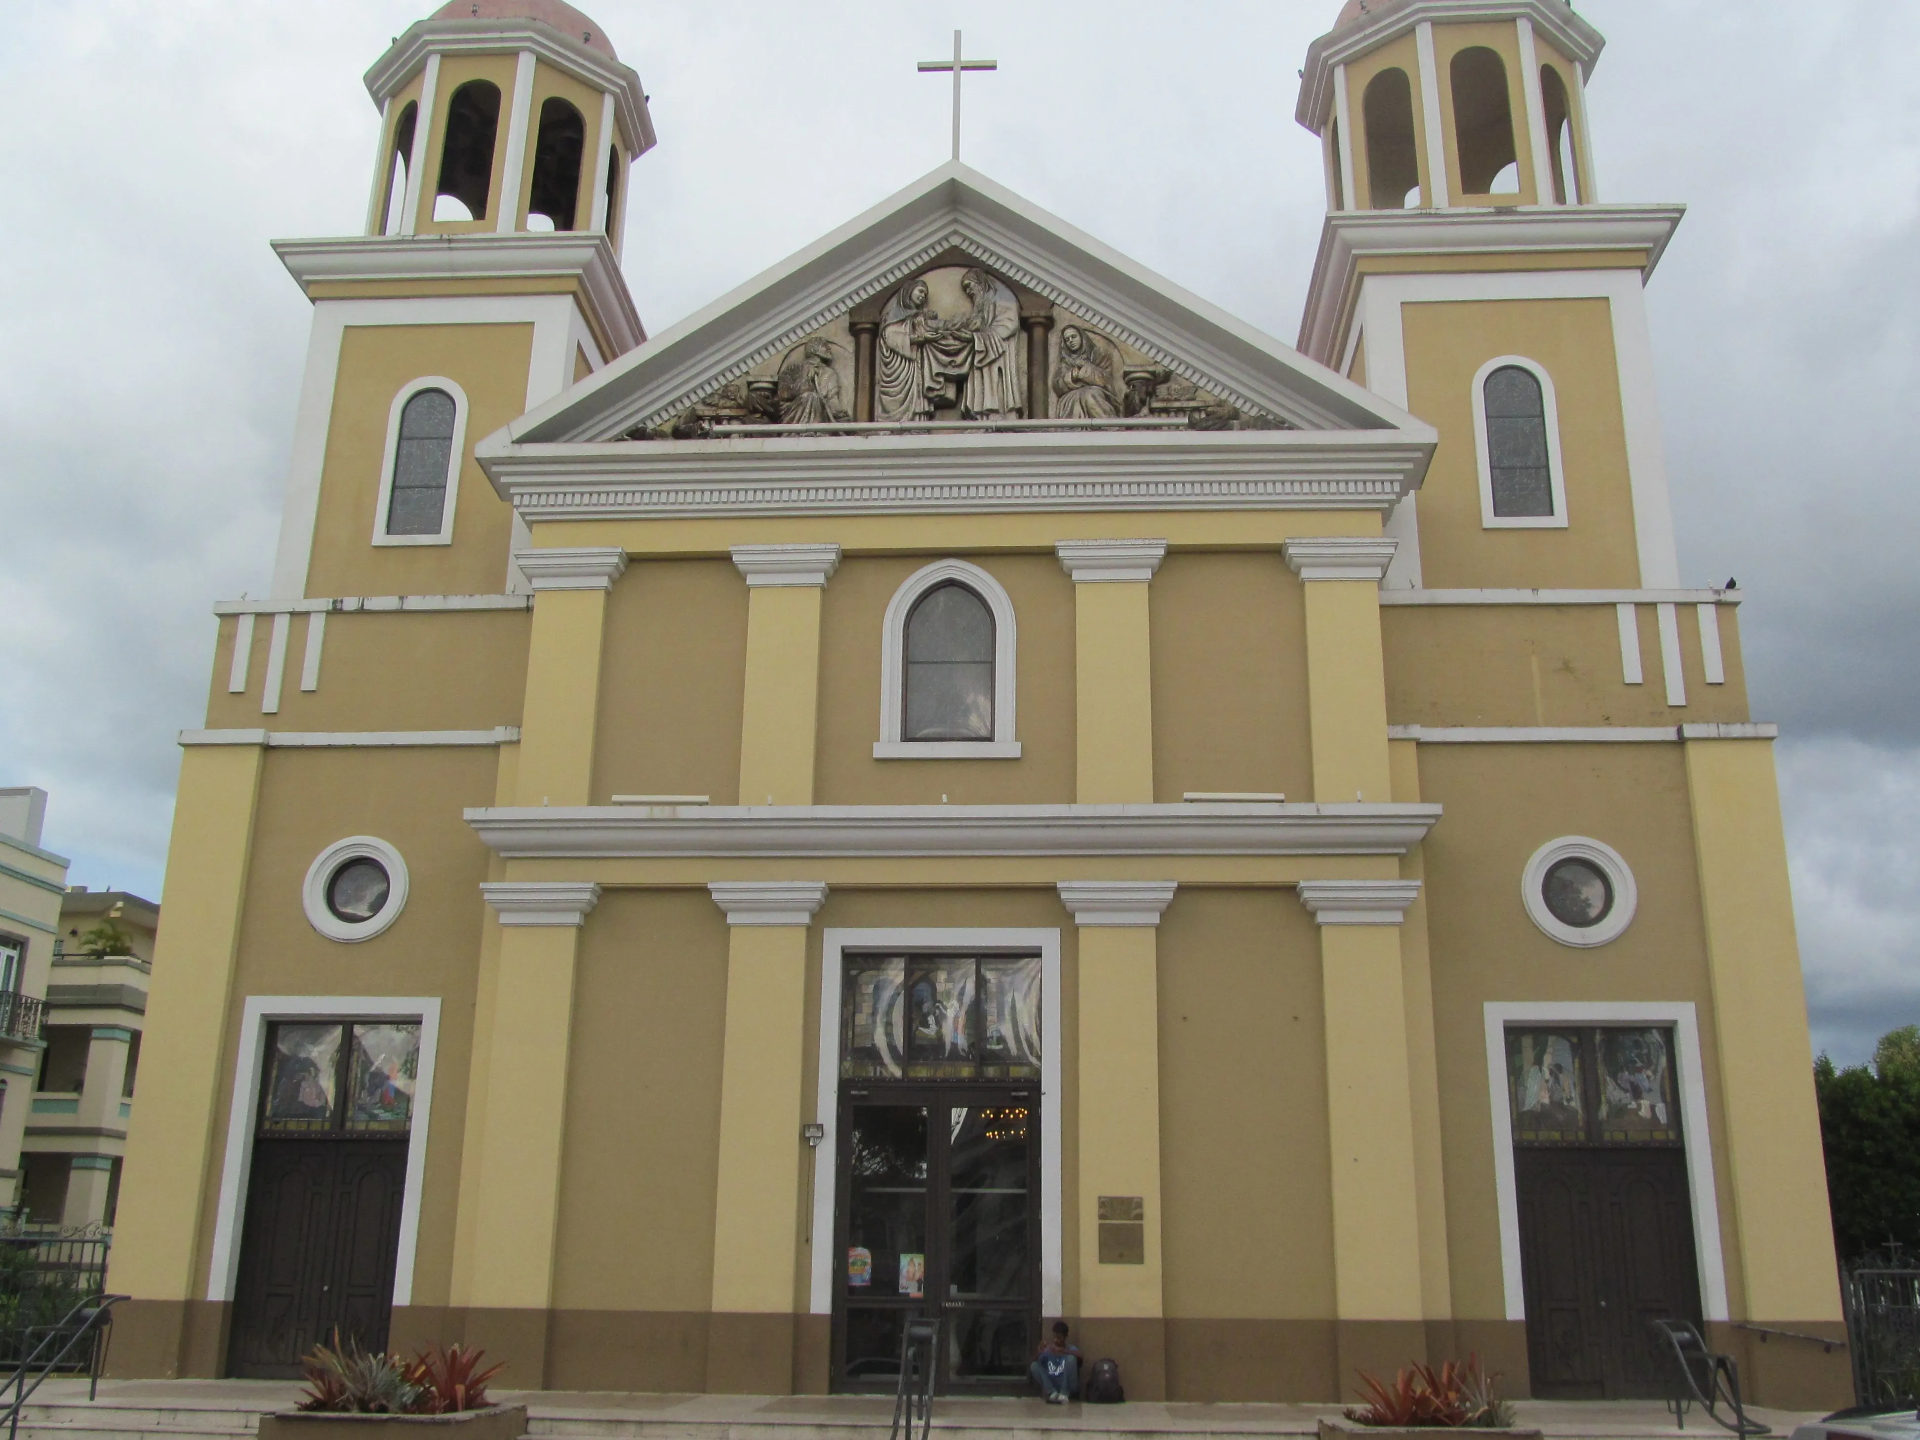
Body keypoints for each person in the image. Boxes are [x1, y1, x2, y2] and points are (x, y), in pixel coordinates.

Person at [1030, 1321, 1081, 1404]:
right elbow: (1032, 1362)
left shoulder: (1070, 1348)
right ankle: (1052, 1392)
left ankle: (1064, 1394)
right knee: (1034, 1365)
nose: (1056, 1340)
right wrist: (1039, 1352)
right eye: (1054, 1337)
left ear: (1065, 1337)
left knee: (1071, 1359)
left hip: (1069, 1385)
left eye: (1059, 1337)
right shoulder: (1049, 1350)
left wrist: (1063, 1351)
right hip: (1053, 1384)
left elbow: (1080, 1356)